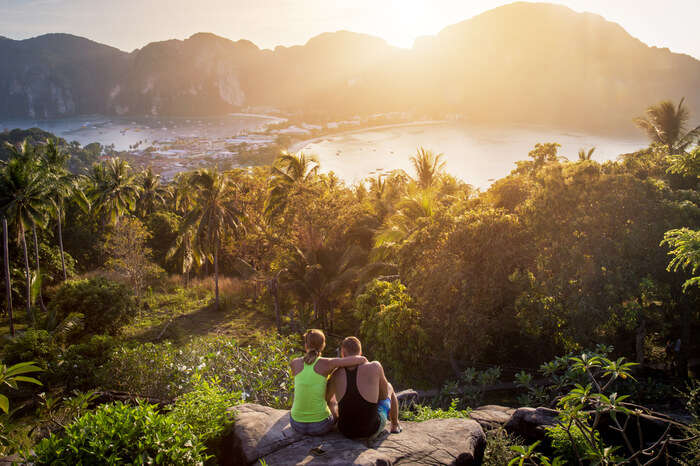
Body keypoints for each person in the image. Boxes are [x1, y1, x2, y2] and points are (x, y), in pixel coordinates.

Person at [289, 329, 367, 435]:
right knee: (332, 397)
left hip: (296, 424)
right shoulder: (328, 363)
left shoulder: (294, 363)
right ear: (323, 345)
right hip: (320, 426)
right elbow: (359, 359)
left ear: (306, 345)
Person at [326, 336, 401, 439]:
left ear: (343, 353)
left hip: (345, 431)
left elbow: (327, 400)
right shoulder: (375, 366)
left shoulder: (336, 374)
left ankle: (338, 421)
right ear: (360, 352)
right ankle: (395, 425)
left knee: (333, 399)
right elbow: (383, 396)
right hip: (370, 431)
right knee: (389, 387)